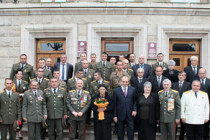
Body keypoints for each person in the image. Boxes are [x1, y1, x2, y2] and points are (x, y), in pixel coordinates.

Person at [113, 75, 137, 140]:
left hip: (130, 113)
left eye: (126, 82)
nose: (125, 83)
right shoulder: (116, 90)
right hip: (120, 114)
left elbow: (135, 101)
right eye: (123, 81)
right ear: (121, 82)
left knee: (131, 130)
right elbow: (114, 104)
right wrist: (115, 115)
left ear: (128, 82)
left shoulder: (133, 89)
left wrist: (134, 110)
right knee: (120, 131)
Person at [172, 71, 191, 140]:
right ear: (178, 76)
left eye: (183, 75)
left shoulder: (188, 84)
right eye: (180, 75)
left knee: (183, 124)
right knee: (175, 123)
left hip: (184, 107)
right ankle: (173, 137)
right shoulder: (174, 84)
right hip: (175, 106)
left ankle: (181, 137)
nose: (181, 76)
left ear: (185, 77)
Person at [13, 69, 28, 139]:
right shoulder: (12, 82)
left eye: (21, 74)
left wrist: (23, 94)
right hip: (14, 102)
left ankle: (19, 132)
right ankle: (14, 130)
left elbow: (27, 92)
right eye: (18, 74)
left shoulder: (25, 83)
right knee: (14, 116)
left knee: (20, 117)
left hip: (22, 102)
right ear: (16, 75)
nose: (20, 75)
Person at [197, 68, 210, 140]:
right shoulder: (195, 82)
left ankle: (206, 137)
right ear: (198, 74)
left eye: (203, 73)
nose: (202, 75)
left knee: (207, 123)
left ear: (206, 73)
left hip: (208, 106)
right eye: (200, 73)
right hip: (198, 106)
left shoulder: (209, 81)